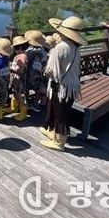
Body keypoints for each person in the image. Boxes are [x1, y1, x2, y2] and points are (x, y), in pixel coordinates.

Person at [39, 16, 87, 151]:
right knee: (61, 112)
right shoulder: (75, 47)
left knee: (60, 114)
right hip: (71, 86)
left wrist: (43, 69)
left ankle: (60, 143)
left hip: (61, 87)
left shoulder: (60, 47)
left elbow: (51, 72)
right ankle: (55, 134)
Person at [24, 30, 50, 113]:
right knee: (37, 89)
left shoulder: (28, 51)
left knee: (26, 88)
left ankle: (27, 103)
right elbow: (44, 63)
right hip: (37, 74)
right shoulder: (43, 52)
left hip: (28, 73)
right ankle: (36, 103)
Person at [9, 35, 28, 122]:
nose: (15, 50)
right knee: (15, 92)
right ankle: (14, 107)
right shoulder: (24, 54)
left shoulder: (21, 56)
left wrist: (11, 68)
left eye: (15, 48)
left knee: (18, 93)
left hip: (19, 78)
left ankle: (23, 111)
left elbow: (21, 69)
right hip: (19, 78)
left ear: (19, 48)